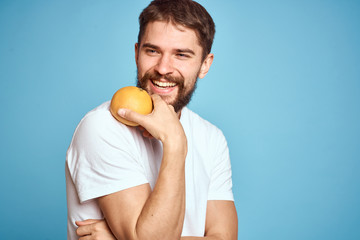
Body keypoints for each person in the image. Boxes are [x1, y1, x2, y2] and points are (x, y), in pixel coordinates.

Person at [65, 0, 238, 239]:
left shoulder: (212, 137)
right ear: (137, 53)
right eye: (153, 51)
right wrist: (176, 144)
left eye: (181, 54)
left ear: (204, 65)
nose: (163, 68)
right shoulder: (102, 127)